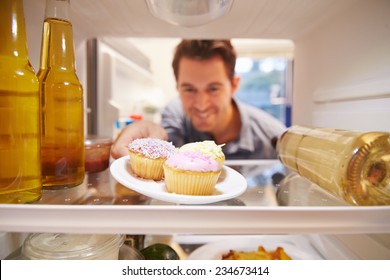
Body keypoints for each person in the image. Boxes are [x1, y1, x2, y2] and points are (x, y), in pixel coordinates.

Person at [111, 40, 286, 160]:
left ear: (234, 85)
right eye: (189, 89)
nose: (201, 104)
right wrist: (146, 135)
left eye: (213, 89)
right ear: (177, 87)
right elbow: (163, 143)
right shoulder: (176, 112)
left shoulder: (272, 137)